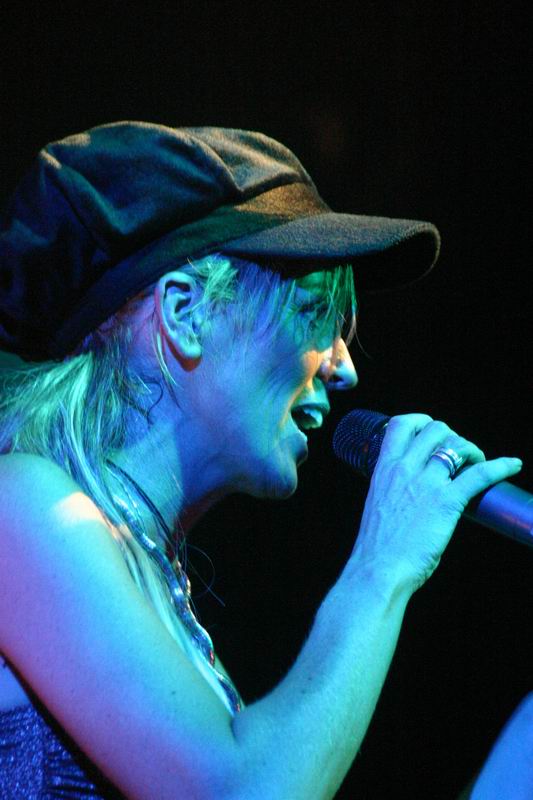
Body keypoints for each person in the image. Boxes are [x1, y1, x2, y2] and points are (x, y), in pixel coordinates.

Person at [0, 122, 527, 799]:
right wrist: (381, 567)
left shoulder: (149, 581)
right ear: (185, 312)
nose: (343, 368)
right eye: (312, 312)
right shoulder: (22, 503)